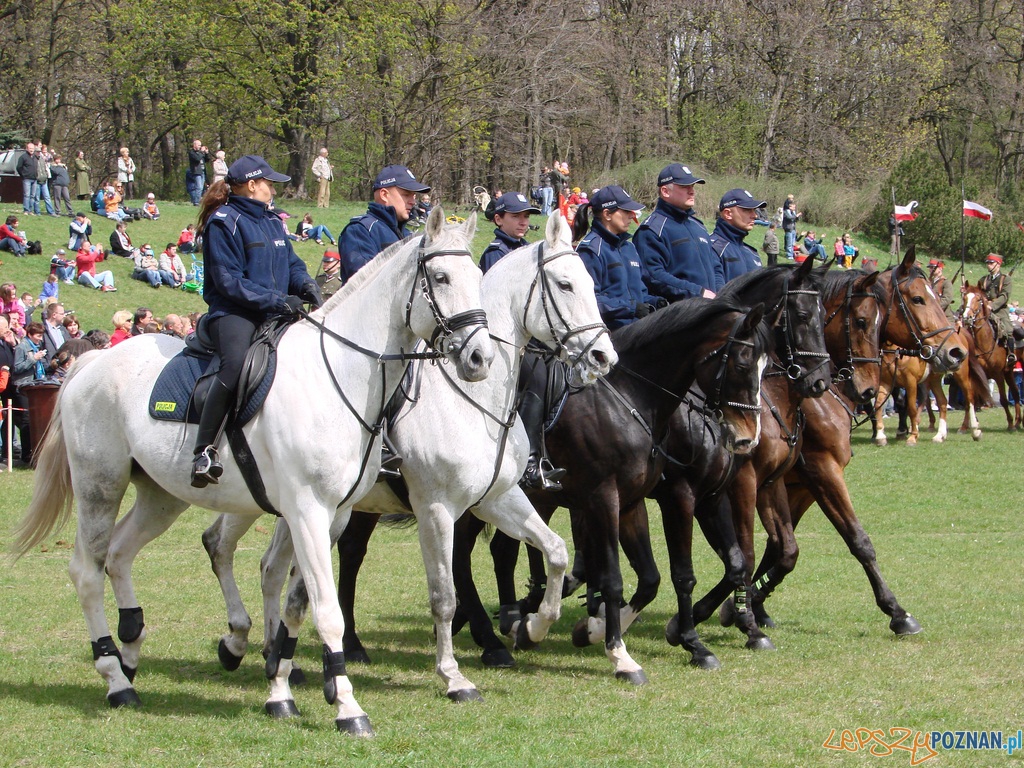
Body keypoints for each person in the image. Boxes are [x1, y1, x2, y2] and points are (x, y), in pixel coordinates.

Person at [190, 154, 321, 487]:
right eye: (269, 183)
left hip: (275, 311)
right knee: (234, 366)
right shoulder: (224, 221)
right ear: (252, 185)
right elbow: (228, 281)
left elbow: (291, 264)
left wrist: (307, 285)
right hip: (235, 313)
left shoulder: (271, 220)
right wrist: (277, 301)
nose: (272, 189)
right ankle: (204, 451)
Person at [574, 184, 661, 330]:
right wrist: (631, 308)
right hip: (610, 337)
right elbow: (588, 301)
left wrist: (655, 302)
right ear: (607, 214)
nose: (632, 215)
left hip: (638, 332)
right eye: (626, 211)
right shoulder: (590, 250)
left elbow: (640, 293)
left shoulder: (629, 248)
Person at [634, 162, 723, 302]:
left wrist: (720, 294)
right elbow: (653, 275)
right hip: (680, 316)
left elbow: (715, 266)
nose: (692, 191)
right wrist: (697, 292)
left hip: (711, 310)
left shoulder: (698, 226)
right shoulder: (652, 229)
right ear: (665, 191)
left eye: (692, 186)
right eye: (684, 186)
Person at [338, 164, 430, 281]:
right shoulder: (360, 231)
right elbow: (365, 283)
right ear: (384, 195)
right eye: (406, 195)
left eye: (414, 196)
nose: (413, 201)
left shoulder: (408, 235)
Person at [710, 188, 767, 284]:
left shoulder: (752, 253)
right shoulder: (713, 248)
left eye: (754, 210)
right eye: (747, 210)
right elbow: (715, 296)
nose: (755, 215)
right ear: (728, 214)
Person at [12, 321, 48, 464]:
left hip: (34, 386)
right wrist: (34, 359)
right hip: (22, 386)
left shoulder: (35, 346)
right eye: (38, 336)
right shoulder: (22, 347)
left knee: (34, 419)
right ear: (30, 334)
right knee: (26, 419)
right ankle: (26, 453)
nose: (40, 338)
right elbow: (17, 367)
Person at [479, 192, 540, 273]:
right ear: (498, 220)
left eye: (526, 216)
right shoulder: (496, 253)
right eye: (516, 216)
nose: (523, 223)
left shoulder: (529, 248)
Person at [979, 253, 1014, 363]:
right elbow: (978, 294)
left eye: (991, 263)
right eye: (987, 263)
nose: (988, 265)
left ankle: (1010, 354)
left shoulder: (1005, 279)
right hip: (983, 309)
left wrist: (991, 306)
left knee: (1007, 330)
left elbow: (1004, 296)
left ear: (998, 264)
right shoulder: (983, 279)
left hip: (999, 311)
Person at [928, 259, 957, 325]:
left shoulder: (946, 282)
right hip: (930, 315)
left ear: (940, 269)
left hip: (945, 316)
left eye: (933, 267)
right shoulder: (929, 282)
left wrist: (934, 308)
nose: (931, 269)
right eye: (930, 267)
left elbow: (947, 299)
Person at [17, 143, 40, 216]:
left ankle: (30, 210)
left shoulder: (35, 157)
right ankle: (26, 210)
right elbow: (18, 167)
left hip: (34, 179)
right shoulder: (23, 157)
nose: (31, 150)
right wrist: (23, 175)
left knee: (33, 196)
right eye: (30, 148)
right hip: (26, 178)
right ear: (27, 149)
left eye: (33, 148)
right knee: (27, 195)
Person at [187, 140, 211, 205]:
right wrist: (202, 153)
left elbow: (207, 159)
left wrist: (206, 153)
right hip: (196, 172)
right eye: (199, 145)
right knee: (199, 187)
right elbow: (197, 159)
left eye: (200, 145)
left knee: (202, 188)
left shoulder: (200, 153)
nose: (200, 147)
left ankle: (197, 200)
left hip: (202, 171)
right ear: (194, 145)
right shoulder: (192, 152)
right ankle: (196, 202)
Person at [782, 194, 801, 260]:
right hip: (788, 229)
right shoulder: (786, 212)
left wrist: (797, 217)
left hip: (793, 229)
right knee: (789, 243)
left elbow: (795, 220)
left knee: (793, 243)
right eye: (793, 207)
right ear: (790, 207)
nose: (794, 209)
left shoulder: (793, 212)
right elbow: (789, 218)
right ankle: (789, 255)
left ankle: (792, 254)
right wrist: (796, 216)